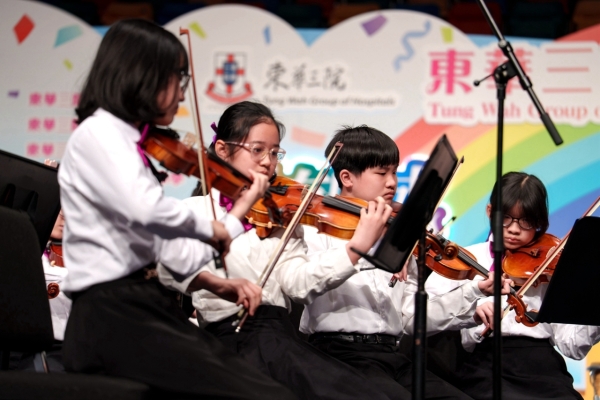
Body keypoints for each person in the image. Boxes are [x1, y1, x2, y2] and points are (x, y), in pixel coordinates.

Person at [58, 19, 297, 399]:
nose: (182, 96)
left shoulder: (130, 144)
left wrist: (236, 218)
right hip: (113, 314)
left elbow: (179, 255)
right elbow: (147, 209)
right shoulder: (98, 133)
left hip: (144, 306)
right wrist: (219, 227)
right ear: (142, 75)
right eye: (177, 79)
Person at [159, 101, 395, 400]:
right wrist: (217, 282)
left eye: (274, 152)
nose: (267, 162)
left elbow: (297, 284)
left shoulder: (281, 216)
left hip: (279, 337)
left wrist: (354, 250)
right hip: (227, 338)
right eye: (257, 150)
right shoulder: (192, 211)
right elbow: (170, 271)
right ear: (222, 150)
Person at [300, 126, 513, 400]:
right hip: (339, 355)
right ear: (347, 177)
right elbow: (304, 286)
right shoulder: (317, 229)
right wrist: (374, 256)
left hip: (392, 356)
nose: (392, 182)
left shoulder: (399, 232)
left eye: (394, 172)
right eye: (381, 173)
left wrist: (473, 291)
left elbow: (411, 318)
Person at [425, 171, 600, 400]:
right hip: (486, 365)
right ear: (490, 212)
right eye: (506, 217)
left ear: (539, 222)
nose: (514, 229)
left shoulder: (550, 265)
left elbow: (571, 346)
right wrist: (470, 312)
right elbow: (423, 316)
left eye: (526, 221)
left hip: (544, 369)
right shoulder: (464, 259)